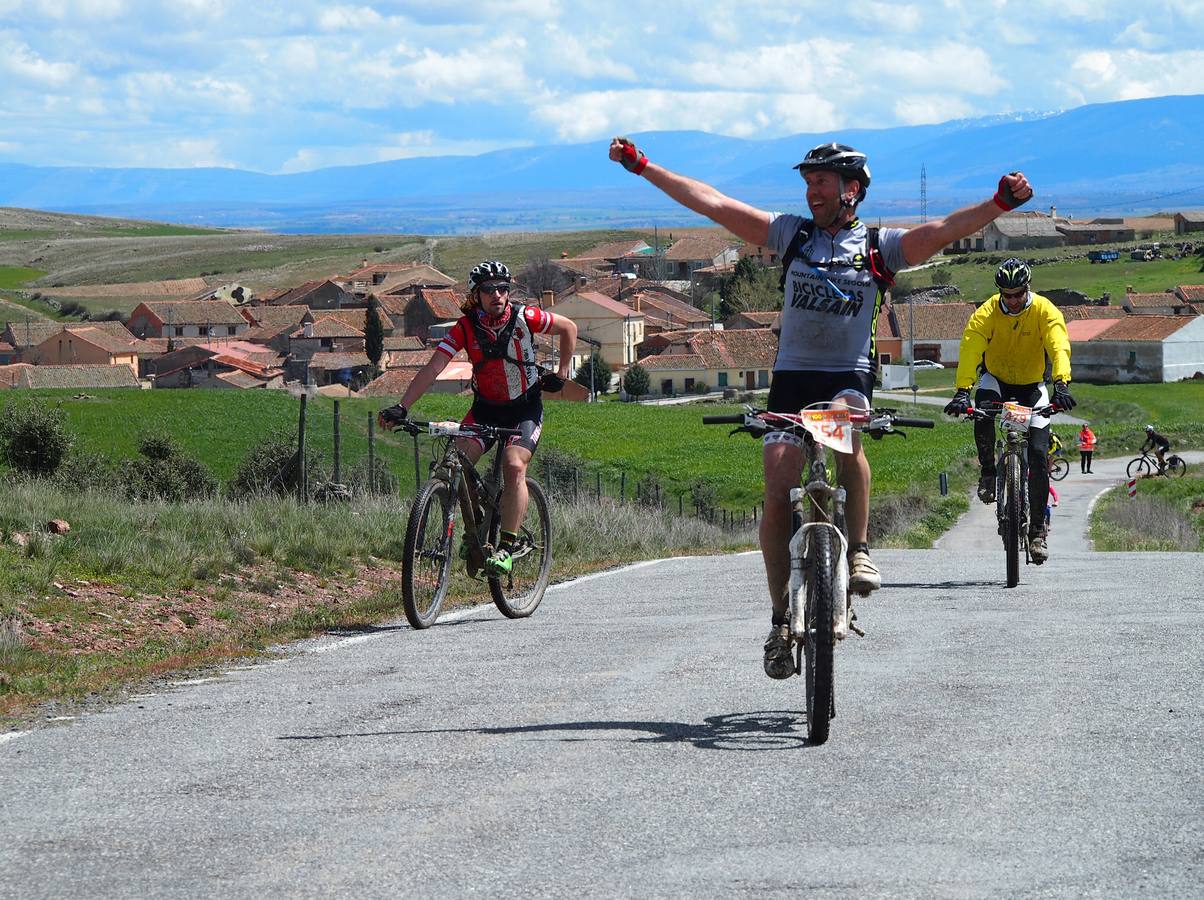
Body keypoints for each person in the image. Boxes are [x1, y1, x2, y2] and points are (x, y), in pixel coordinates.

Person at [609, 135, 1035, 679]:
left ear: (851, 189)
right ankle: (781, 619)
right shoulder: (791, 235)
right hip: (791, 378)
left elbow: (945, 230)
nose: (812, 191)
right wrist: (643, 167)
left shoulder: (882, 247)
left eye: (822, 182)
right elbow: (712, 203)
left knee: (840, 428)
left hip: (846, 375)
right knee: (777, 475)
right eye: (807, 182)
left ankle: (857, 550)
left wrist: (998, 204)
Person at [378, 260, 577, 576]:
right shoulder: (465, 328)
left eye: (502, 288)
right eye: (488, 290)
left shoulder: (527, 317)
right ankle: (476, 529)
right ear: (477, 294)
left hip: (523, 408)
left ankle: (506, 549)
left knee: (514, 466)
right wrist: (402, 407)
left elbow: (569, 328)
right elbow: (432, 369)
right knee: (455, 462)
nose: (497, 295)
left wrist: (562, 374)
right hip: (485, 408)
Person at [943, 258, 1074, 565]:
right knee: (982, 412)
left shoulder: (1044, 310)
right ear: (1000, 291)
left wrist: (1062, 383)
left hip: (1033, 385)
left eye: (1018, 294)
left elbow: (1058, 344)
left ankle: (1038, 531)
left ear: (1028, 289)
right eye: (1007, 294)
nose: (1013, 300)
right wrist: (962, 391)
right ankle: (989, 472)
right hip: (996, 380)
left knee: (1040, 457)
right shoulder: (986, 312)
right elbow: (971, 346)